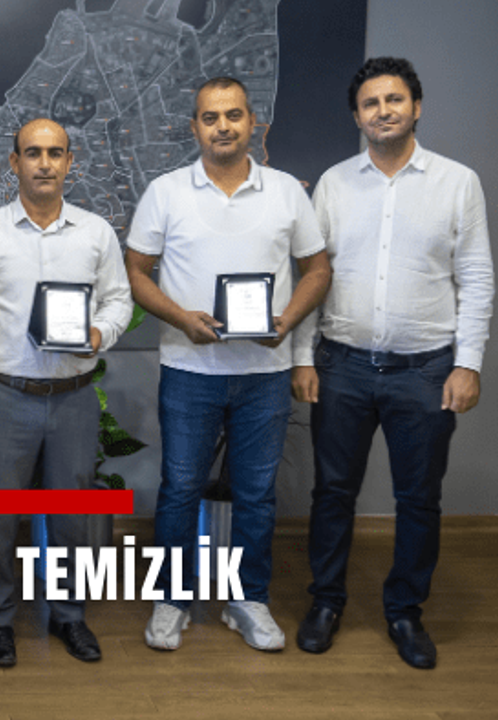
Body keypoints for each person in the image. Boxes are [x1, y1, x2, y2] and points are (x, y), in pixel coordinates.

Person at [290, 58, 494, 670]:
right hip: (342, 366)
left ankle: (405, 611)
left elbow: (476, 277)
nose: (383, 111)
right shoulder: (334, 183)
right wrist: (302, 356)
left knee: (419, 499)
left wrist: (468, 363)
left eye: (394, 99)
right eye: (371, 103)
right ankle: (326, 602)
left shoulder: (458, 183)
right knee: (332, 493)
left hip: (426, 371)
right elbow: (313, 275)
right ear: (357, 117)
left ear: (416, 107)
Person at [124, 76, 331, 653]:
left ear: (251, 122)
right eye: (210, 117)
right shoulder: (166, 192)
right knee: (180, 489)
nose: (223, 127)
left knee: (257, 494)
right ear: (194, 127)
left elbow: (317, 270)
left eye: (233, 115)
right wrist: (180, 317)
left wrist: (286, 322)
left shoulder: (286, 191)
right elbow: (136, 271)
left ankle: (248, 600)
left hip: (265, 373)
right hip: (190, 371)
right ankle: (172, 600)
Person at [0, 117, 134, 667]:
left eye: (55, 153)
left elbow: (119, 301)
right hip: (5, 395)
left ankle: (69, 616)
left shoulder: (95, 233)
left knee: (71, 517)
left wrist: (100, 333)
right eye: (33, 153)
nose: (45, 163)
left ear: (70, 162)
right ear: (15, 163)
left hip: (74, 396)